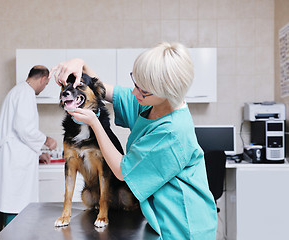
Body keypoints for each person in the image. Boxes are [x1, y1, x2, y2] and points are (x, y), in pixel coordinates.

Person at [49, 42, 217, 239]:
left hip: (184, 227)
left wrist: (95, 123)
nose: (135, 92)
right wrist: (81, 64)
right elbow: (100, 89)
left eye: (143, 89)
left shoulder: (171, 132)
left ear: (166, 91)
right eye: (135, 83)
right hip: (160, 221)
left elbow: (122, 171)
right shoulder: (151, 105)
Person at [0, 65, 57, 226]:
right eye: (46, 84)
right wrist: (47, 140)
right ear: (43, 79)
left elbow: (19, 133)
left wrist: (38, 154)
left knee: (14, 202)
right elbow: (24, 129)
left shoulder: (18, 91)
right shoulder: (25, 93)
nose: (44, 88)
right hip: (16, 161)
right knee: (16, 204)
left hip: (15, 157)